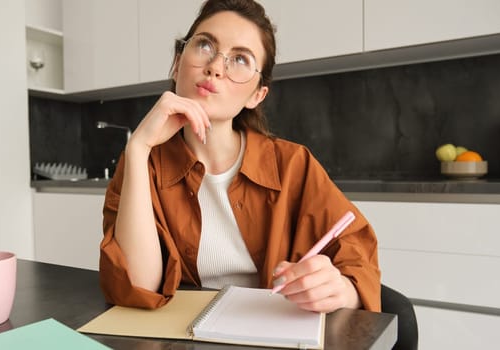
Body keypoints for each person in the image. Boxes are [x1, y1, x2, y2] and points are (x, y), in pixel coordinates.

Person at [99, 0, 381, 313]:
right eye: (205, 45)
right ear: (178, 63)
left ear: (256, 95)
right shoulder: (144, 162)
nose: (215, 67)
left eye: (240, 59)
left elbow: (358, 260)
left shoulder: (293, 165)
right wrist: (138, 149)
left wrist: (341, 289)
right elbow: (137, 287)